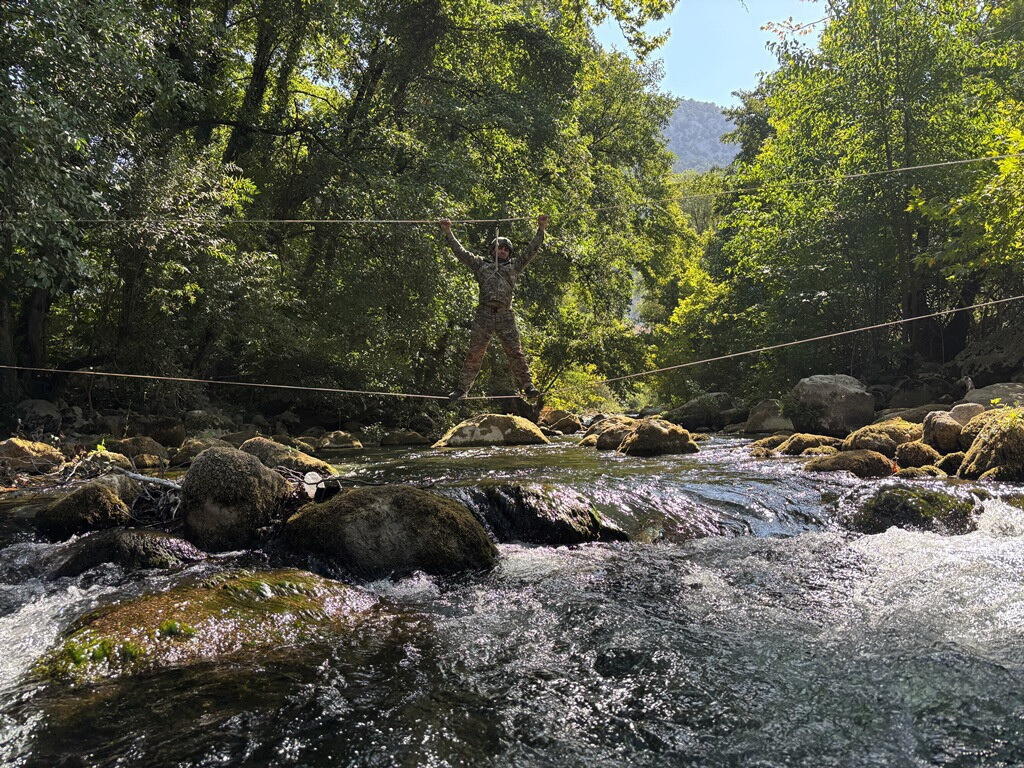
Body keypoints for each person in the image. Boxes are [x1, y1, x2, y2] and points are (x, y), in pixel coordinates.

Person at [438, 214, 549, 403]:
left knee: (515, 352)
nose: (503, 251)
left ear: (509, 253)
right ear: (493, 250)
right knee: (475, 352)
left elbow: (532, 250)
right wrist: (448, 231)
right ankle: (462, 390)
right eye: (500, 248)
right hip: (484, 314)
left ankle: (528, 386)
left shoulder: (514, 266)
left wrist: (541, 228)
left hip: (505, 314)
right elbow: (461, 252)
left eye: (506, 249)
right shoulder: (481, 265)